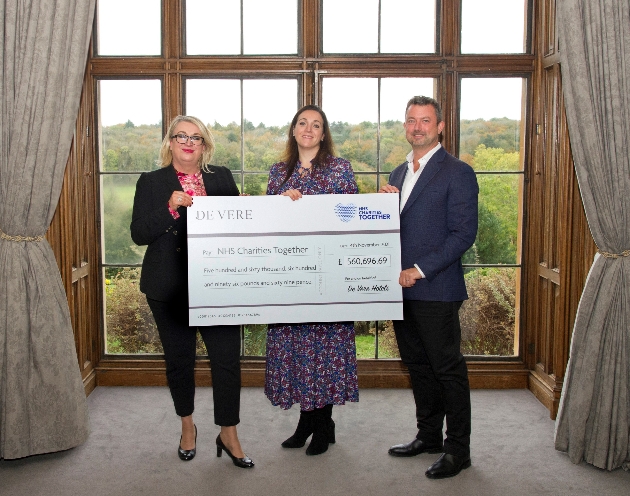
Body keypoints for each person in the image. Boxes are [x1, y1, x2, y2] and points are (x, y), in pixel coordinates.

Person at [130, 115, 254, 468]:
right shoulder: (151, 182)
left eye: (196, 137)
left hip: (219, 284)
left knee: (227, 360)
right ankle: (188, 427)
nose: (188, 142)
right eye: (181, 136)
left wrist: (250, 210)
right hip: (169, 287)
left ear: (205, 145)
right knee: (180, 361)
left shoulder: (222, 177)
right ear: (169, 142)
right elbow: (139, 233)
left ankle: (228, 433)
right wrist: (170, 207)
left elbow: (240, 225)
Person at [379, 96, 478, 479]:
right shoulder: (397, 173)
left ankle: (459, 450)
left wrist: (419, 269)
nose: (417, 127)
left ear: (440, 126)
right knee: (418, 367)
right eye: (410, 121)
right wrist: (381, 205)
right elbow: (392, 229)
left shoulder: (457, 171)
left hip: (435, 287)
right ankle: (429, 436)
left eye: (425, 121)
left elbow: (463, 234)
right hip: (399, 290)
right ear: (405, 126)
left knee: (447, 370)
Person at [265, 104, 359, 456]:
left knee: (324, 351)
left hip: (327, 277)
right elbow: (269, 225)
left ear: (323, 134)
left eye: (316, 125)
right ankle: (308, 421)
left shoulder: (339, 169)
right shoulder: (278, 172)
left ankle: (323, 425)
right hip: (289, 279)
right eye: (302, 123)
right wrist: (280, 204)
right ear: (293, 131)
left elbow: (350, 218)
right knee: (297, 352)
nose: (308, 129)